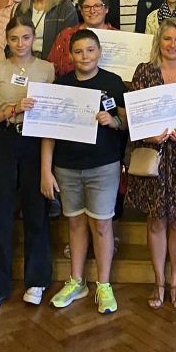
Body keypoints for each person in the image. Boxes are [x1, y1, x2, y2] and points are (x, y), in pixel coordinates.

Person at [125, 18, 176, 311]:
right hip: (154, 155)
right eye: (167, 39)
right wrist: (148, 133)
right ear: (158, 41)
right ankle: (158, 281)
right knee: (156, 219)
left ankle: (175, 282)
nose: (173, 45)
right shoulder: (144, 72)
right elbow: (135, 115)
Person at [41, 29, 127, 314]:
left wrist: (113, 120)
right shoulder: (61, 84)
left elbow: (127, 122)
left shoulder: (113, 83)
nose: (85, 56)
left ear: (99, 51)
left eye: (90, 50)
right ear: (70, 55)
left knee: (102, 225)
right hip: (66, 167)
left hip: (103, 166)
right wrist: (46, 169)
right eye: (78, 51)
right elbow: (49, 131)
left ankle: (103, 284)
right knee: (75, 224)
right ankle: (77, 281)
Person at [0, 14, 55, 311]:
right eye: (14, 38)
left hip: (36, 142)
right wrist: (11, 109)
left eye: (25, 37)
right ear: (6, 41)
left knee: (36, 209)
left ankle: (37, 280)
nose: (20, 43)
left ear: (34, 38)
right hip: (5, 140)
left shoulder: (47, 69)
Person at [48, 0, 118, 78]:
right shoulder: (66, 35)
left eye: (97, 6)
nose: (92, 11)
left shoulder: (119, 36)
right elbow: (52, 68)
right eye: (87, 7)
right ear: (81, 11)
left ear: (107, 9)